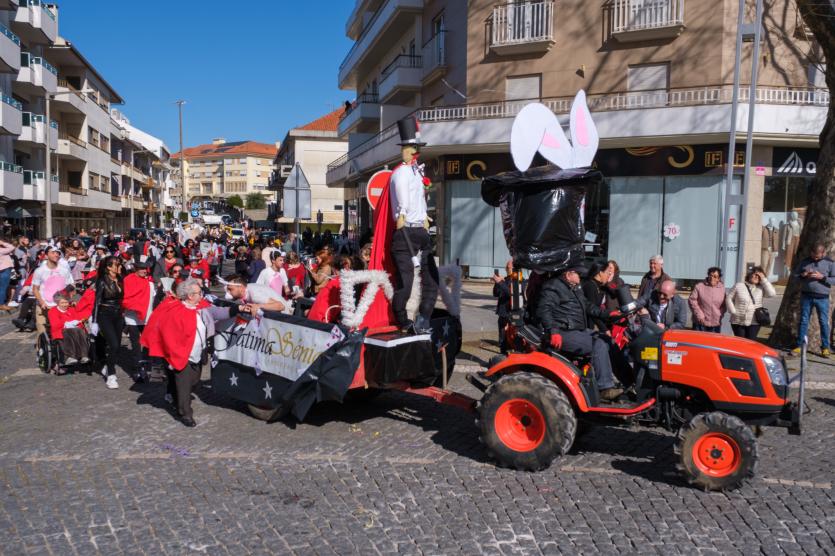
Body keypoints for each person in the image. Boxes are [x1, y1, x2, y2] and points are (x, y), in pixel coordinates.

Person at [141, 278, 232, 427]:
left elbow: (218, 312)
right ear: (190, 296)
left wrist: (239, 309)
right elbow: (167, 335)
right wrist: (172, 355)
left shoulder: (202, 307)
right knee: (184, 386)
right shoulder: (175, 311)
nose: (202, 295)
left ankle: (176, 398)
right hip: (181, 355)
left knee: (193, 382)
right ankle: (185, 413)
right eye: (199, 293)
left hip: (198, 353)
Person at [537, 265, 624, 401]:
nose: (581, 277)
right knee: (598, 344)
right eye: (578, 274)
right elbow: (544, 309)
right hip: (563, 332)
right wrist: (553, 331)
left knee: (608, 340)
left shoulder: (574, 288)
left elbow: (588, 306)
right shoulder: (553, 286)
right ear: (568, 275)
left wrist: (608, 314)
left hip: (577, 330)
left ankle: (627, 381)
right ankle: (605, 388)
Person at [389, 116, 439, 333]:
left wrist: (425, 218)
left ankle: (424, 316)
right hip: (406, 231)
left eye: (416, 147)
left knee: (432, 278)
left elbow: (419, 199)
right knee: (406, 282)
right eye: (410, 148)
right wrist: (401, 214)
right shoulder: (401, 173)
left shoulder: (417, 172)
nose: (414, 151)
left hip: (420, 230)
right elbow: (402, 198)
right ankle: (402, 319)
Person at [792, 243, 835, 357]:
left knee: (823, 322)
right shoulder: (805, 261)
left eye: (817, 256)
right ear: (811, 252)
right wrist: (803, 275)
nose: (815, 258)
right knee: (803, 321)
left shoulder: (830, 263)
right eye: (813, 255)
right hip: (806, 296)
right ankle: (799, 346)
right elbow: (795, 277)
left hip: (822, 298)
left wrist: (823, 277)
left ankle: (825, 348)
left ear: (823, 253)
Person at [92, 256, 124, 389]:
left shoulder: (120, 279)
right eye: (117, 265)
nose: (120, 267)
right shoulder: (102, 281)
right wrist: (94, 321)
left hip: (118, 314)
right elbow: (97, 301)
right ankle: (111, 375)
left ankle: (107, 366)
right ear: (109, 267)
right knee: (114, 344)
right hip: (105, 314)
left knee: (117, 345)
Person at [122, 257, 156, 382]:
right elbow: (127, 297)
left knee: (147, 344)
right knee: (136, 344)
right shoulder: (128, 280)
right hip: (132, 318)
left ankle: (146, 366)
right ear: (135, 269)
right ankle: (137, 369)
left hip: (147, 317)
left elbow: (153, 299)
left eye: (145, 268)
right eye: (141, 268)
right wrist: (135, 306)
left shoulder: (149, 283)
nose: (144, 271)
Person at [32, 247, 74, 334]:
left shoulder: (64, 270)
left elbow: (71, 286)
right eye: (53, 252)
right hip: (45, 306)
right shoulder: (39, 271)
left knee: (61, 332)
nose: (56, 255)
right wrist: (42, 302)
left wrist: (70, 300)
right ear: (46, 255)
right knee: (43, 333)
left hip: (60, 307)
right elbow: (35, 289)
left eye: (58, 253)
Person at [726, 266, 775, 340]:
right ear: (750, 274)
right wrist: (733, 311)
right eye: (755, 274)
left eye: (759, 276)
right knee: (740, 342)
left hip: (754, 322)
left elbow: (772, 294)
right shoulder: (739, 285)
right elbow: (729, 298)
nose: (756, 277)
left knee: (750, 343)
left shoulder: (761, 288)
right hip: (738, 320)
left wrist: (764, 279)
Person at [48, 292, 90, 372]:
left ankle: (84, 355)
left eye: (66, 302)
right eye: (62, 303)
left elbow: (79, 321)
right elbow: (55, 325)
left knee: (79, 330)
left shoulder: (72, 310)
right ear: (57, 303)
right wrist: (66, 323)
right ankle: (69, 357)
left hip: (75, 331)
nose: (65, 305)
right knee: (68, 331)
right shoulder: (52, 311)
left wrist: (76, 323)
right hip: (60, 331)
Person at [492, 260, 519, 355]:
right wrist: (497, 283)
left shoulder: (517, 279)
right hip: (502, 312)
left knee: (511, 337)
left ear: (514, 268)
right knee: (502, 337)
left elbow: (511, 293)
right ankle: (502, 354)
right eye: (506, 268)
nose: (507, 270)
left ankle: (510, 353)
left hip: (511, 313)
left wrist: (500, 282)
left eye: (509, 268)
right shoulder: (505, 279)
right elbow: (496, 294)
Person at [689, 267, 726, 333]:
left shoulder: (722, 289)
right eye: (710, 275)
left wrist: (720, 314)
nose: (712, 278)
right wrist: (699, 315)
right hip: (700, 322)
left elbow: (724, 305)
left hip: (715, 323)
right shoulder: (699, 286)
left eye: (715, 276)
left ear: (718, 278)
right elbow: (692, 300)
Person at [581, 262, 613, 332]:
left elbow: (614, 294)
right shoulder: (590, 286)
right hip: (584, 324)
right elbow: (592, 311)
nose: (609, 274)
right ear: (600, 273)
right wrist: (604, 329)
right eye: (608, 272)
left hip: (589, 324)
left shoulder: (599, 286)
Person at [0, 236, 15, 311]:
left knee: (2, 287)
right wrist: (2, 243)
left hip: (3, 270)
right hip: (4, 270)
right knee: (3, 288)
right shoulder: (1, 250)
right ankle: (1, 304)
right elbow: (12, 247)